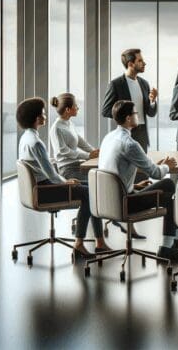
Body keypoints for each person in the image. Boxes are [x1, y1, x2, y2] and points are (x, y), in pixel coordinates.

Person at [98, 100, 178, 261]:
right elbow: (156, 173)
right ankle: (168, 244)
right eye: (136, 113)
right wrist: (167, 167)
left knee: (169, 197)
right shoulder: (130, 144)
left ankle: (174, 239)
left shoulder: (108, 138)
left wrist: (135, 184)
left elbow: (113, 175)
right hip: (124, 203)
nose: (138, 116)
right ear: (129, 118)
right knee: (169, 184)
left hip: (106, 200)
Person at [17, 97, 111, 257]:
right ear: (37, 117)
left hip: (39, 188)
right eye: (43, 113)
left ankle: (99, 241)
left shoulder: (25, 138)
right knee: (90, 194)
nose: (46, 115)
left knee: (93, 189)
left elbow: (47, 170)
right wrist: (65, 182)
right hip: (45, 190)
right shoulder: (37, 143)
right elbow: (51, 174)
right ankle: (80, 243)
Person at [101, 48, 159, 238]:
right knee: (126, 176)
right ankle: (128, 223)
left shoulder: (144, 83)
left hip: (141, 133)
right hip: (125, 133)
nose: (144, 63)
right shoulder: (116, 84)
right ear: (131, 63)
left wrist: (152, 101)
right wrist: (123, 116)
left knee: (136, 176)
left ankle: (126, 216)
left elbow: (150, 113)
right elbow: (106, 110)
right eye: (141, 60)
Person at [49, 93, 99, 183]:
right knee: (96, 181)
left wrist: (94, 152)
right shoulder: (56, 128)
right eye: (75, 105)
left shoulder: (69, 123)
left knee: (100, 174)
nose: (77, 108)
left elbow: (80, 141)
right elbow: (64, 151)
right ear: (68, 109)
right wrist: (88, 156)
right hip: (67, 170)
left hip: (76, 165)